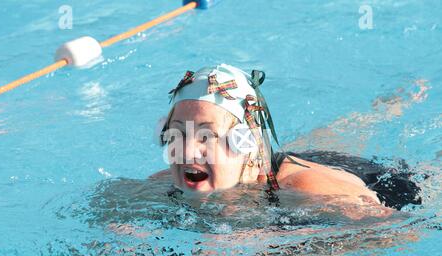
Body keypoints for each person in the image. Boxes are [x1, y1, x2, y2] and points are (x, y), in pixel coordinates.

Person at [152, 64, 422, 213]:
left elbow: (398, 233)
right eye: (178, 133)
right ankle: (382, 110)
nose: (187, 151)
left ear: (246, 143)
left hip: (385, 182)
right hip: (283, 162)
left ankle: (390, 107)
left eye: (206, 136)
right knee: (327, 139)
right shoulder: (166, 183)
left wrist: (269, 247)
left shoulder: (307, 190)